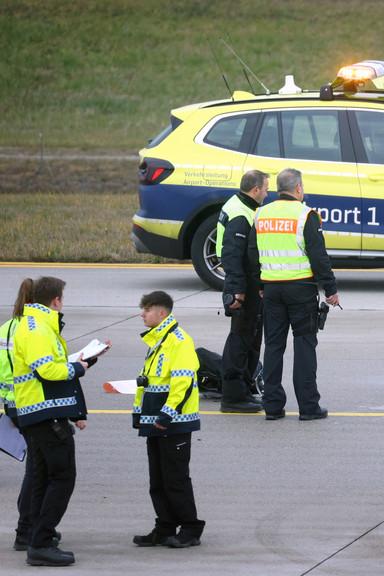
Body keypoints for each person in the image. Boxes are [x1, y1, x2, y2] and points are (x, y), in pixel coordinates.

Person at [12, 277, 90, 566]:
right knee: (62, 477)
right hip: (44, 414)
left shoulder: (35, 325)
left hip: (40, 412)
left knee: (44, 477)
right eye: (62, 300)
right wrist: (76, 369)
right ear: (55, 301)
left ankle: (36, 539)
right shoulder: (37, 328)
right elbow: (47, 370)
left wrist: (78, 365)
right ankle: (41, 541)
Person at [251, 168, 339, 421]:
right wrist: (330, 290)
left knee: (274, 347)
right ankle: (308, 407)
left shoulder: (261, 215)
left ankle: (273, 406)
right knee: (304, 345)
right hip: (300, 289)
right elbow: (318, 256)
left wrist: (260, 283)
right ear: (298, 188)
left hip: (271, 290)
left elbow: (253, 252)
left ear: (279, 188)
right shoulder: (305, 215)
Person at [132, 291, 205, 548]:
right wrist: (139, 415)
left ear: (161, 313)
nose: (142, 314)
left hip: (173, 423)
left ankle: (190, 527)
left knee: (175, 478)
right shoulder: (157, 342)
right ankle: (164, 526)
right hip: (155, 421)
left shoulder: (179, 341)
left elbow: (183, 383)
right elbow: (148, 383)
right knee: (158, 480)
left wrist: (168, 414)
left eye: (147, 310)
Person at [217, 169, 269, 413]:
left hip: (247, 282)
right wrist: (238, 290)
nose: (267, 194)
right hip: (242, 284)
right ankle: (233, 396)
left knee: (249, 337)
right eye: (266, 189)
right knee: (240, 339)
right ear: (256, 189)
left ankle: (244, 389)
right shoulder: (241, 214)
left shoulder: (243, 205)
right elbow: (232, 254)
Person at [2, 280, 44, 552]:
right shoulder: (34, 331)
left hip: (10, 403)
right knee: (39, 470)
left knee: (36, 468)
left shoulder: (5, 328)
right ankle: (27, 529)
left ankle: (28, 526)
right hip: (31, 404)